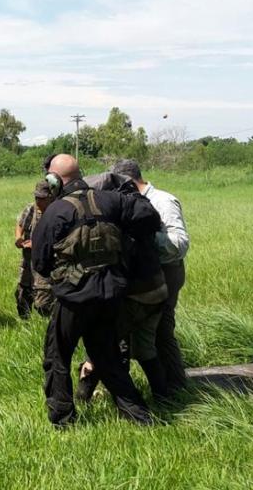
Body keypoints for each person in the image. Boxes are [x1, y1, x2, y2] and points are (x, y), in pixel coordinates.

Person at [31, 155, 162, 427]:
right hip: (111, 296)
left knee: (57, 356)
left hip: (75, 301)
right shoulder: (111, 201)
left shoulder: (56, 212)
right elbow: (149, 217)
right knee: (108, 358)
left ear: (54, 180)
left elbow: (40, 263)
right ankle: (140, 417)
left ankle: (63, 420)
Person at [76, 168, 169, 402]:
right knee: (146, 349)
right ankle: (164, 398)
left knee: (99, 345)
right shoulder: (139, 215)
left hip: (136, 295)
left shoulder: (115, 223)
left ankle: (83, 399)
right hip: (157, 288)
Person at [114, 159, 190, 394]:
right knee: (129, 333)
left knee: (162, 331)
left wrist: (145, 238)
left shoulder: (162, 201)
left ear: (128, 181)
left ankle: (175, 388)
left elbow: (179, 244)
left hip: (166, 272)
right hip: (142, 274)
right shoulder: (127, 200)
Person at [13, 180, 55, 319]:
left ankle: (47, 324)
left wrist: (37, 244)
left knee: (43, 302)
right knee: (22, 295)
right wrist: (19, 240)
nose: (38, 201)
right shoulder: (31, 209)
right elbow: (20, 224)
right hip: (28, 260)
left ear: (51, 197)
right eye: (36, 197)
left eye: (42, 198)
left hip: (46, 264)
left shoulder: (57, 212)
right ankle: (25, 324)